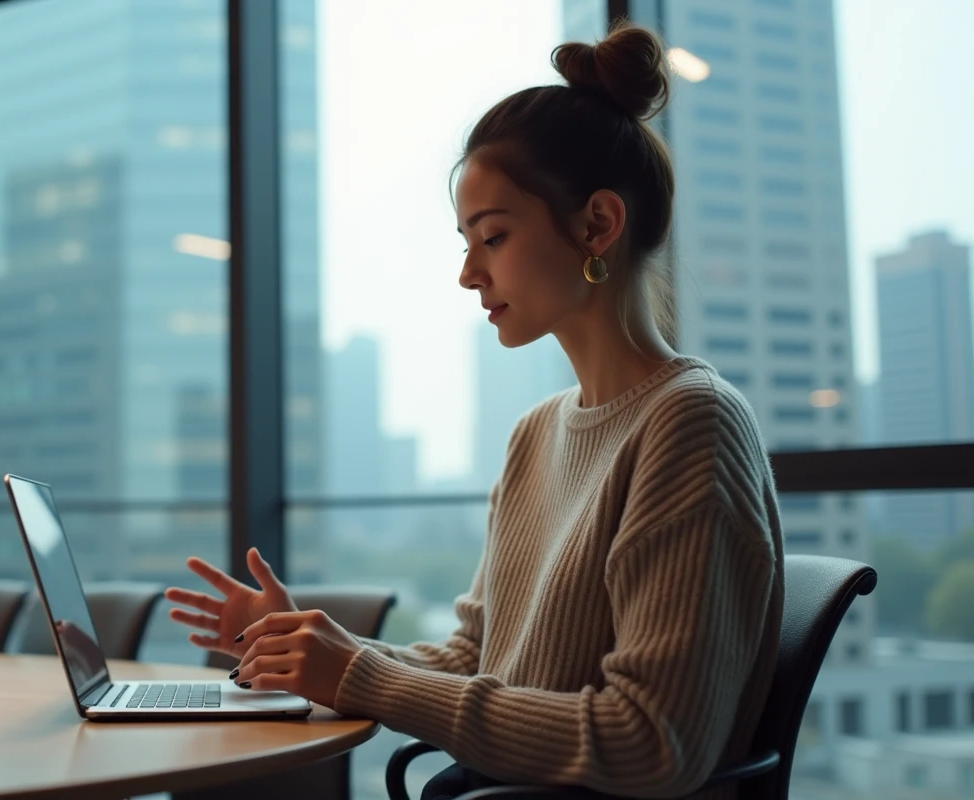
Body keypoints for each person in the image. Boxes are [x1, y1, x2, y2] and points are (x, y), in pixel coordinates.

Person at [164, 22, 783, 800]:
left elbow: (652, 743)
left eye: (491, 236)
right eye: (466, 240)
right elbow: (473, 661)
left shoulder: (691, 424)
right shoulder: (538, 434)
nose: (467, 274)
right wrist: (311, 649)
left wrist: (356, 673)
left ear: (598, 224)